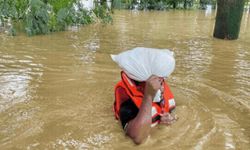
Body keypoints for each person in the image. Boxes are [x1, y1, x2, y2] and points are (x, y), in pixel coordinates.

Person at [113, 71, 177, 144]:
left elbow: (174, 111)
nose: (162, 88)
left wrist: (170, 118)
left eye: (161, 81)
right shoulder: (127, 96)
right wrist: (149, 95)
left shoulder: (160, 84)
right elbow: (137, 139)